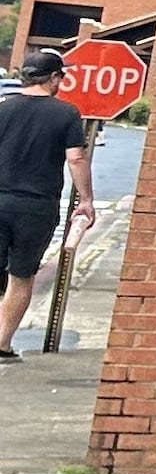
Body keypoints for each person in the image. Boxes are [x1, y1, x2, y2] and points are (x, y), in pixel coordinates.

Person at [0, 46, 98, 364]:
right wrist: (86, 200)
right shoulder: (66, 113)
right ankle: (1, 343)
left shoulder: (3, 109)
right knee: (21, 276)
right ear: (54, 78)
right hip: (37, 207)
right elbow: (76, 158)